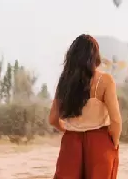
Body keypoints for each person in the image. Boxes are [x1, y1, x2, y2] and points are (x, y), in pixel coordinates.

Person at [49, 34, 122, 179]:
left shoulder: (65, 83)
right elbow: (116, 120)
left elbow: (52, 119)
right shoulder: (105, 80)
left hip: (71, 142)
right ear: (95, 55)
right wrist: (114, 142)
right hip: (99, 141)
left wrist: (71, 131)